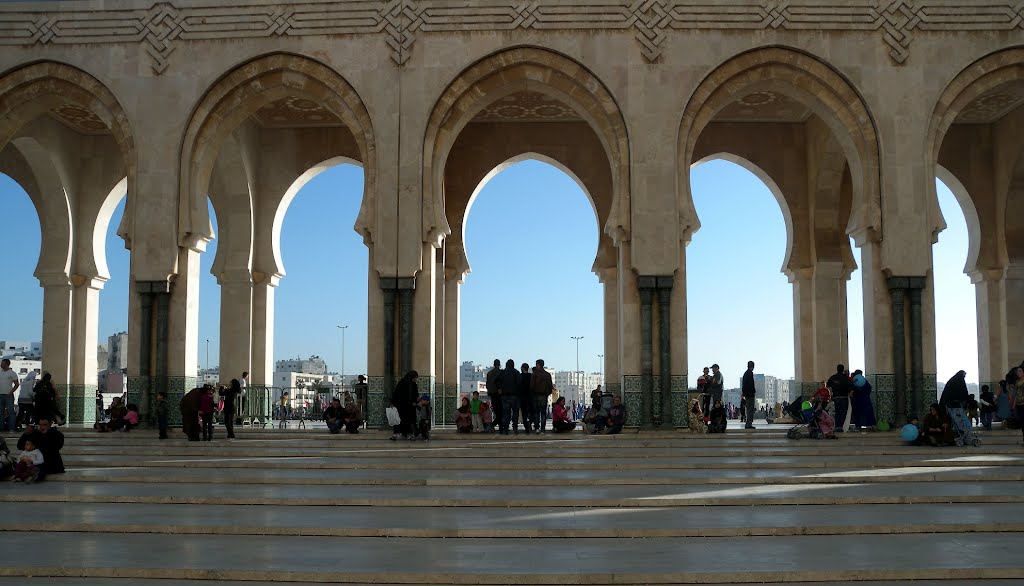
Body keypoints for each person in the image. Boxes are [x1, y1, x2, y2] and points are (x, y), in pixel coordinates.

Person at [391, 370, 419, 441]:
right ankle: (398, 434)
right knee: (399, 420)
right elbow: (396, 394)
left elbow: (416, 395)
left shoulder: (413, 384)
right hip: (401, 405)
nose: (415, 379)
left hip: (410, 406)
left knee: (409, 421)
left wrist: (415, 401)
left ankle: (408, 434)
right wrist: (393, 404)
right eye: (415, 377)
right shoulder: (402, 383)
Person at [497, 359, 520, 435]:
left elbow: (496, 381)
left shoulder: (502, 372)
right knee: (515, 413)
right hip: (514, 396)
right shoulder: (516, 372)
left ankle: (506, 428)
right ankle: (515, 428)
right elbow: (519, 383)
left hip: (504, 396)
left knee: (506, 413)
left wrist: (499, 388)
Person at [531, 359, 554, 433]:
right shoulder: (547, 374)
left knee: (536, 413)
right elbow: (550, 387)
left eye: (536, 364)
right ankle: (543, 429)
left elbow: (531, 385)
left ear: (539, 365)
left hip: (536, 395)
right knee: (543, 413)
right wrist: (547, 394)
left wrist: (532, 393)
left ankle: (537, 428)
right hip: (544, 396)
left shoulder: (534, 374)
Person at [827, 364, 851, 432]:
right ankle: (841, 426)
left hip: (836, 397)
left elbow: (828, 384)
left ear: (837, 369)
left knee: (837, 412)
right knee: (843, 412)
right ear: (843, 370)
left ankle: (837, 426)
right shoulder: (845, 378)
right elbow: (849, 386)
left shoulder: (833, 377)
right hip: (844, 397)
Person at [0, 359, 20, 433]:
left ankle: (11, 428)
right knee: (0, 412)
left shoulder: (12, 373)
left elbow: (17, 384)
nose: (1, 365)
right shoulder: (0, 372)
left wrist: (11, 392)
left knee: (11, 412)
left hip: (8, 395)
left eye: (3, 363)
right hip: (0, 394)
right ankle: (1, 428)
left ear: (7, 364)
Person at [485, 359, 503, 433]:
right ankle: (496, 426)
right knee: (501, 412)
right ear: (499, 364)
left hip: (492, 394)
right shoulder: (501, 372)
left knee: (496, 411)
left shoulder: (489, 373)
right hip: (499, 395)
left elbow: (487, 385)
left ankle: (494, 425)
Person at [517, 363, 534, 434]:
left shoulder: (520, 376)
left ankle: (527, 427)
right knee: (532, 412)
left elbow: (517, 386)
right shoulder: (531, 376)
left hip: (522, 397)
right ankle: (530, 422)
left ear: (522, 368)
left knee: (524, 414)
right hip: (530, 397)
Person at [741, 361, 756, 429]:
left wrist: (744, 393)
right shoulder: (750, 373)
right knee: (750, 409)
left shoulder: (745, 373)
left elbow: (744, 385)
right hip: (750, 394)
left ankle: (748, 423)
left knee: (749, 409)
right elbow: (750, 384)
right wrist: (752, 392)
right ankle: (749, 423)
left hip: (747, 394)